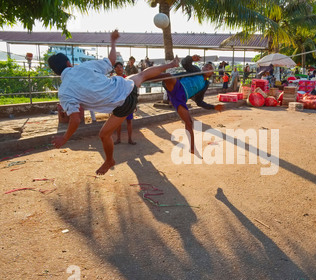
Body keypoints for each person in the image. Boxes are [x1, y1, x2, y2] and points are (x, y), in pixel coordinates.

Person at [48, 30, 179, 175]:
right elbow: (111, 61)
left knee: (104, 135)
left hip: (123, 103)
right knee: (142, 75)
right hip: (126, 86)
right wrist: (113, 42)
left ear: (56, 72)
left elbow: (75, 119)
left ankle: (109, 160)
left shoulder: (64, 92)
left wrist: (65, 137)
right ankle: (171, 64)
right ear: (69, 63)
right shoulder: (85, 67)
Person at [156, 55, 224, 156]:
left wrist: (213, 107)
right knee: (168, 76)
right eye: (206, 66)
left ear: (211, 73)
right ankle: (143, 77)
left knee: (189, 122)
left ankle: (192, 148)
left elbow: (199, 102)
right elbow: (185, 63)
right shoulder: (195, 70)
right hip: (177, 86)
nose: (207, 68)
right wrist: (191, 58)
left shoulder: (205, 84)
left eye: (210, 68)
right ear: (202, 67)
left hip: (181, 99)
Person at [113, 61, 136, 145]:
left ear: (123, 69)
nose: (120, 68)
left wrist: (134, 104)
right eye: (118, 67)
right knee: (118, 123)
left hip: (128, 103)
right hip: (118, 104)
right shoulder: (113, 79)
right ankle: (118, 139)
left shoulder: (127, 79)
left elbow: (132, 92)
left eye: (121, 67)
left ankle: (130, 139)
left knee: (129, 121)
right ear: (115, 69)